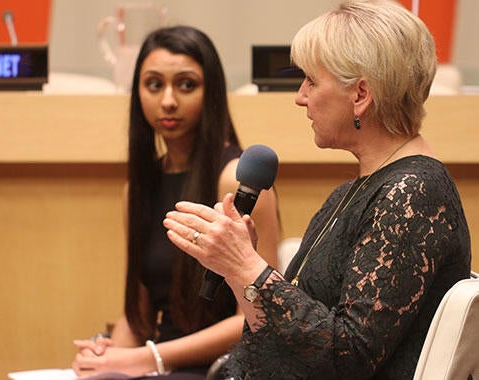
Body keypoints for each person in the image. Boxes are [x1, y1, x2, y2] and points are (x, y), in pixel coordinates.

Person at [163, 1, 472, 379]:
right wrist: (235, 269)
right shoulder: (353, 192)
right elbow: (287, 336)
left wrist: (248, 266)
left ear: (360, 95)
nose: (300, 96)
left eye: (311, 80)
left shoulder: (413, 195)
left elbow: (347, 358)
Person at [71, 25, 279, 378]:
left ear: (211, 92)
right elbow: (137, 315)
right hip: (160, 364)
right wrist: (105, 358)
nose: (168, 100)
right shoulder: (136, 188)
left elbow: (260, 316)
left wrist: (147, 358)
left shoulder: (235, 181)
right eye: (154, 85)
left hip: (224, 368)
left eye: (186, 85)